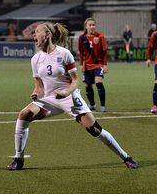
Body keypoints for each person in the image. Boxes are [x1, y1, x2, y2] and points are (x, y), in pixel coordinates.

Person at [7, 22, 139, 170]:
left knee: (94, 129)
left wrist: (65, 93)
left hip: (69, 96)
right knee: (24, 114)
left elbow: (75, 80)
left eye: (37, 32)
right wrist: (36, 93)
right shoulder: (35, 59)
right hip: (49, 98)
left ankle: (126, 157)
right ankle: (18, 159)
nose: (34, 35)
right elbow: (39, 86)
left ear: (48, 35)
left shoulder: (64, 53)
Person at [78, 18, 108, 112]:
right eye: (90, 25)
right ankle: (92, 104)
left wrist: (105, 64)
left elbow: (105, 52)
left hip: (98, 64)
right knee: (88, 86)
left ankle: (103, 106)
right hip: (87, 65)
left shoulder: (100, 36)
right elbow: (81, 53)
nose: (92, 27)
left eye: (93, 25)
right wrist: (81, 64)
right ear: (86, 26)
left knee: (99, 82)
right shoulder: (82, 38)